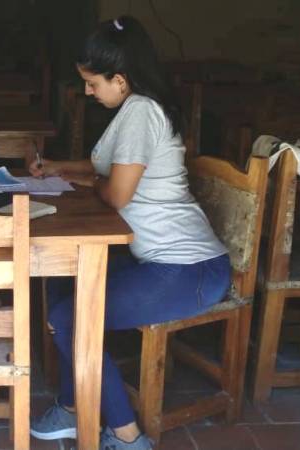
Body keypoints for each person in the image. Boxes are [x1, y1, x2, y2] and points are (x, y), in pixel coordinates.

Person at [28, 16, 231, 450]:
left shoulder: (140, 111)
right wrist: (63, 169)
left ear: (120, 78)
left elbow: (117, 194)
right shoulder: (134, 107)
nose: (88, 91)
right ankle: (70, 406)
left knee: (70, 318)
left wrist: (85, 182)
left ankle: (126, 436)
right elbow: (108, 170)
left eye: (93, 83)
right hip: (167, 263)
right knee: (67, 286)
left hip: (188, 270)